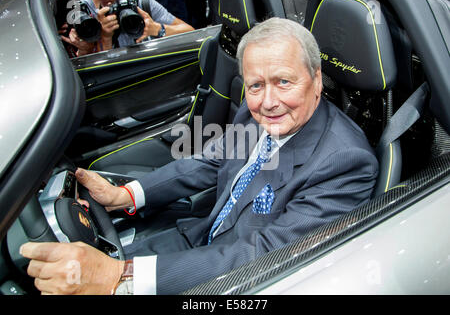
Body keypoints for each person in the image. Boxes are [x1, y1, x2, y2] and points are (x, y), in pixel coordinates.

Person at [21, 17, 379, 295]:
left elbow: (264, 256)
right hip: (200, 235)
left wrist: (120, 276)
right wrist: (126, 195)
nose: (267, 102)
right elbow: (210, 161)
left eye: (284, 82)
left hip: (235, 282)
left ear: (317, 80)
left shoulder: (343, 163)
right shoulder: (260, 114)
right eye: (255, 85)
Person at [62, 0, 194, 56]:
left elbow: (190, 32)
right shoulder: (78, 9)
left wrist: (158, 29)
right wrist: (103, 38)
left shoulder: (143, 3)